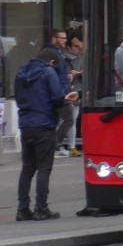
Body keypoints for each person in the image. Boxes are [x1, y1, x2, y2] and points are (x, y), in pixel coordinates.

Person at [15, 46, 78, 221]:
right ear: (51, 62)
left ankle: (22, 209)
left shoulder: (21, 73)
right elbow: (57, 98)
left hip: (25, 123)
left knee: (27, 168)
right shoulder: (49, 72)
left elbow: (19, 97)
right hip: (44, 124)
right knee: (44, 168)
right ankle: (41, 209)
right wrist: (67, 99)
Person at [49, 29, 75, 158]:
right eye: (62, 38)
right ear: (54, 38)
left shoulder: (58, 52)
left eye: (65, 38)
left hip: (61, 90)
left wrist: (67, 75)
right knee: (69, 119)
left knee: (60, 120)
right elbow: (53, 73)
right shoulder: (53, 53)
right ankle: (54, 146)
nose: (65, 41)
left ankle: (54, 146)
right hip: (59, 92)